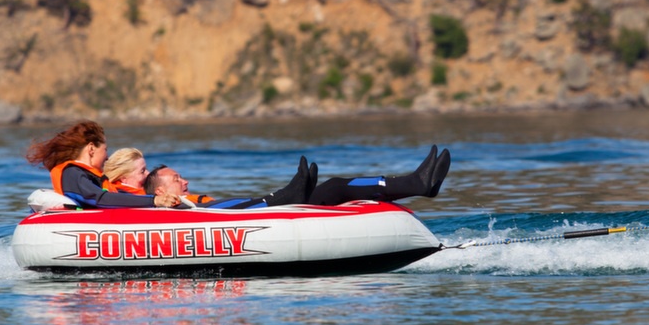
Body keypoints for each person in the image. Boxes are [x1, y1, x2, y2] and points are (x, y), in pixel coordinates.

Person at [25, 120, 311, 209]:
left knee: (206, 204)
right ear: (90, 149)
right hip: (124, 219)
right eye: (104, 150)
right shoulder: (73, 174)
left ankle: (281, 197)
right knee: (206, 208)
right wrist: (155, 202)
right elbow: (98, 198)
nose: (106, 157)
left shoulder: (81, 174)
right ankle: (280, 198)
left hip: (131, 214)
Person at [146, 145, 451, 208]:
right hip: (261, 214)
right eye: (176, 178)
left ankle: (415, 183)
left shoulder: (192, 201)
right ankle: (287, 195)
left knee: (334, 185)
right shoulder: (170, 207)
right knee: (330, 187)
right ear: (160, 191)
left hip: (265, 207)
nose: (184, 181)